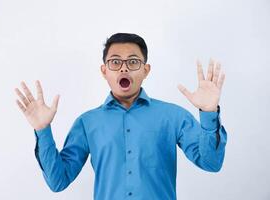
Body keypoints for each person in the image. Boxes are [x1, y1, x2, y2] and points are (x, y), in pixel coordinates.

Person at [15, 33, 227, 200]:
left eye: (133, 62)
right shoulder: (87, 123)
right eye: (115, 62)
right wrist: (42, 130)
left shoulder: (173, 116)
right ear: (104, 70)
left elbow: (211, 163)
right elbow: (58, 181)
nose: (124, 67)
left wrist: (209, 113)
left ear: (146, 70)